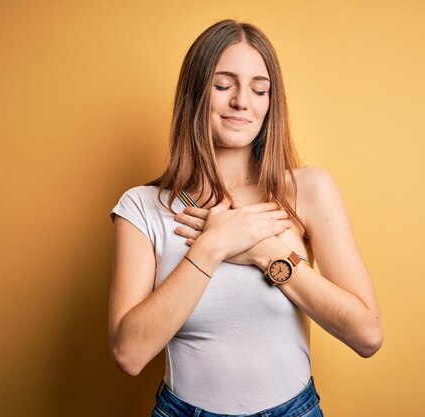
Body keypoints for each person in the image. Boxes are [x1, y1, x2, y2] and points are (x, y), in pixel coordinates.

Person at [109, 19, 383, 417]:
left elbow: (367, 335)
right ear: (195, 94)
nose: (242, 101)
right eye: (223, 86)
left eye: (259, 89)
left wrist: (263, 251)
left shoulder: (308, 189)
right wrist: (212, 246)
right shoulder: (141, 207)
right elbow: (128, 354)